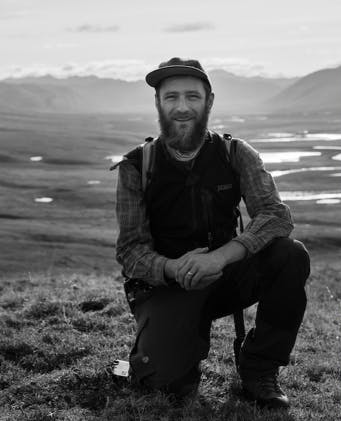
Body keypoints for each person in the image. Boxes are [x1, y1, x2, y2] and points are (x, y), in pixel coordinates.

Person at [113, 57, 309, 408]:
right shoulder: (136, 166)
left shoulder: (235, 153)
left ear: (210, 101)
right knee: (166, 386)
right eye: (171, 97)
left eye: (193, 96)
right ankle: (145, 361)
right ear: (158, 103)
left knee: (290, 255)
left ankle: (259, 368)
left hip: (225, 274)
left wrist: (220, 257)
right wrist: (175, 269)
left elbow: (276, 216)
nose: (182, 107)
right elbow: (130, 251)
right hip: (165, 286)